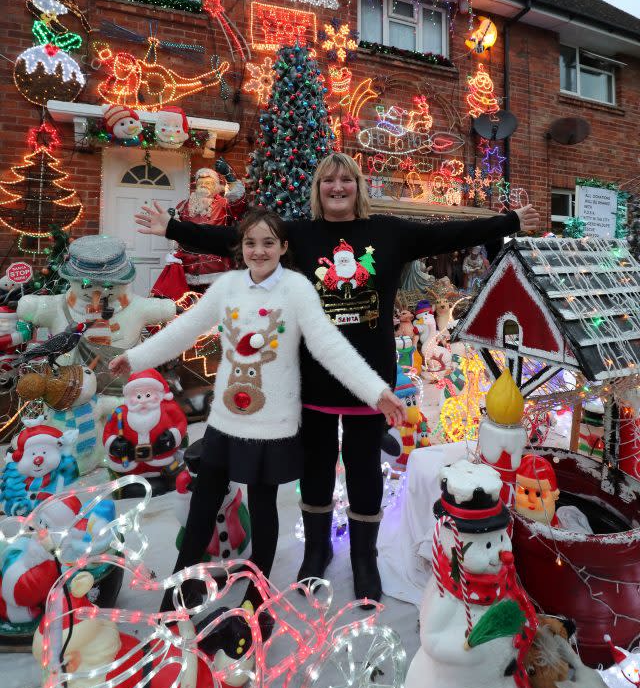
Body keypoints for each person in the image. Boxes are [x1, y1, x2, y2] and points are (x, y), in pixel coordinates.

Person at [135, 152, 540, 601]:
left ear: (358, 186)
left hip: (368, 376)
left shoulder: (388, 231)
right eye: (328, 181)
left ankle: (363, 558)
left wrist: (507, 221)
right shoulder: (300, 235)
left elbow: (446, 232)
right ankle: (317, 550)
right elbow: (241, 239)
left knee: (366, 468)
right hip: (316, 378)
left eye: (346, 180)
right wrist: (174, 228)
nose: (337, 187)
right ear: (318, 189)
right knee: (317, 467)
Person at [110, 208, 403, 618]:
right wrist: (137, 358)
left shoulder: (298, 290)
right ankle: (183, 585)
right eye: (250, 243)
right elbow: (185, 328)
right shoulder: (228, 286)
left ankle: (257, 587)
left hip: (273, 423)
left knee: (263, 508)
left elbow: (328, 346)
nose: (259, 250)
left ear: (284, 247)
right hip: (227, 421)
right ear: (240, 248)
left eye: (269, 242)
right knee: (202, 504)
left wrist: (377, 392)